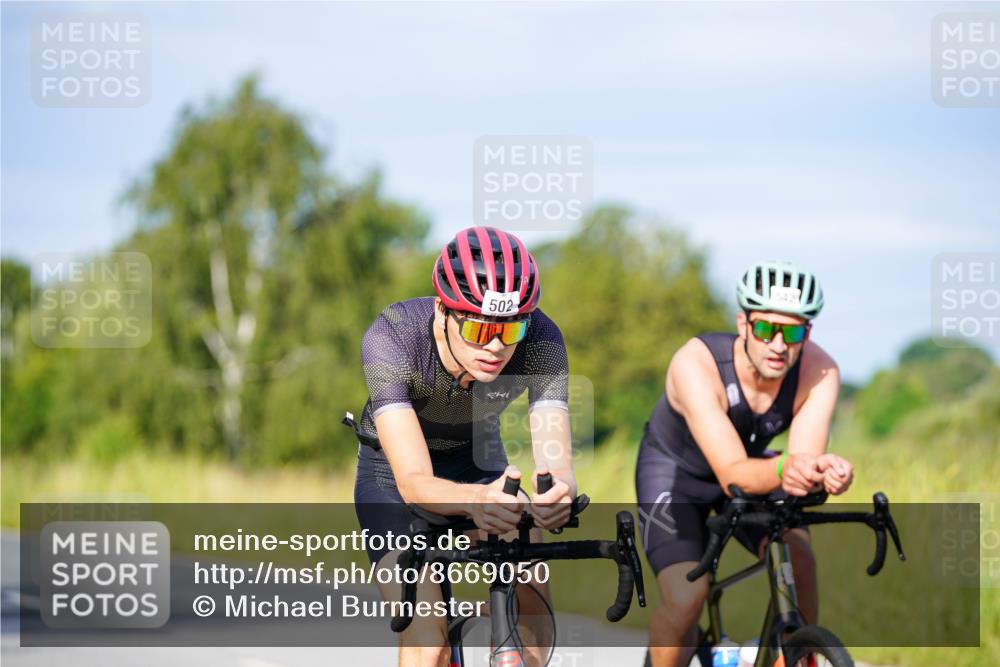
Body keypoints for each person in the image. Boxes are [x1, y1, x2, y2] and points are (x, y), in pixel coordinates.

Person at [351, 226, 576, 667]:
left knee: (531, 597)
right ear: (443, 310)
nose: (495, 346)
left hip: (478, 460)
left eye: (511, 331)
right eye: (478, 327)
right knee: (427, 642)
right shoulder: (393, 336)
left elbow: (556, 457)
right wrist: (476, 500)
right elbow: (415, 482)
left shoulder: (544, 340)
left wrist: (558, 493)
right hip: (392, 477)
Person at [635, 260, 854, 667]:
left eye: (793, 332)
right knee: (686, 598)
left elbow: (799, 463)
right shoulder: (696, 364)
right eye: (766, 329)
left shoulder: (820, 371)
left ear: (807, 333)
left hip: (751, 468)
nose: (778, 345)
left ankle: (795, 653)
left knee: (799, 558)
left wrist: (824, 471)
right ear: (742, 324)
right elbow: (733, 471)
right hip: (675, 475)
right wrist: (787, 467)